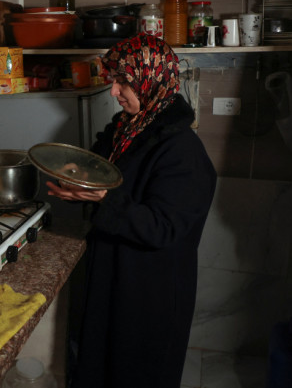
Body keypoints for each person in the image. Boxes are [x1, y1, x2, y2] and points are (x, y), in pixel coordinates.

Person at [47, 33, 217, 388]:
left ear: (151, 80)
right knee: (96, 367)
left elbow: (163, 227)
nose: (113, 91)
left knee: (135, 374)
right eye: (114, 80)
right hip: (109, 274)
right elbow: (96, 171)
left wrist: (102, 200)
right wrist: (77, 186)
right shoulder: (125, 129)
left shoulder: (183, 151)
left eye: (123, 81)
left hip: (147, 293)